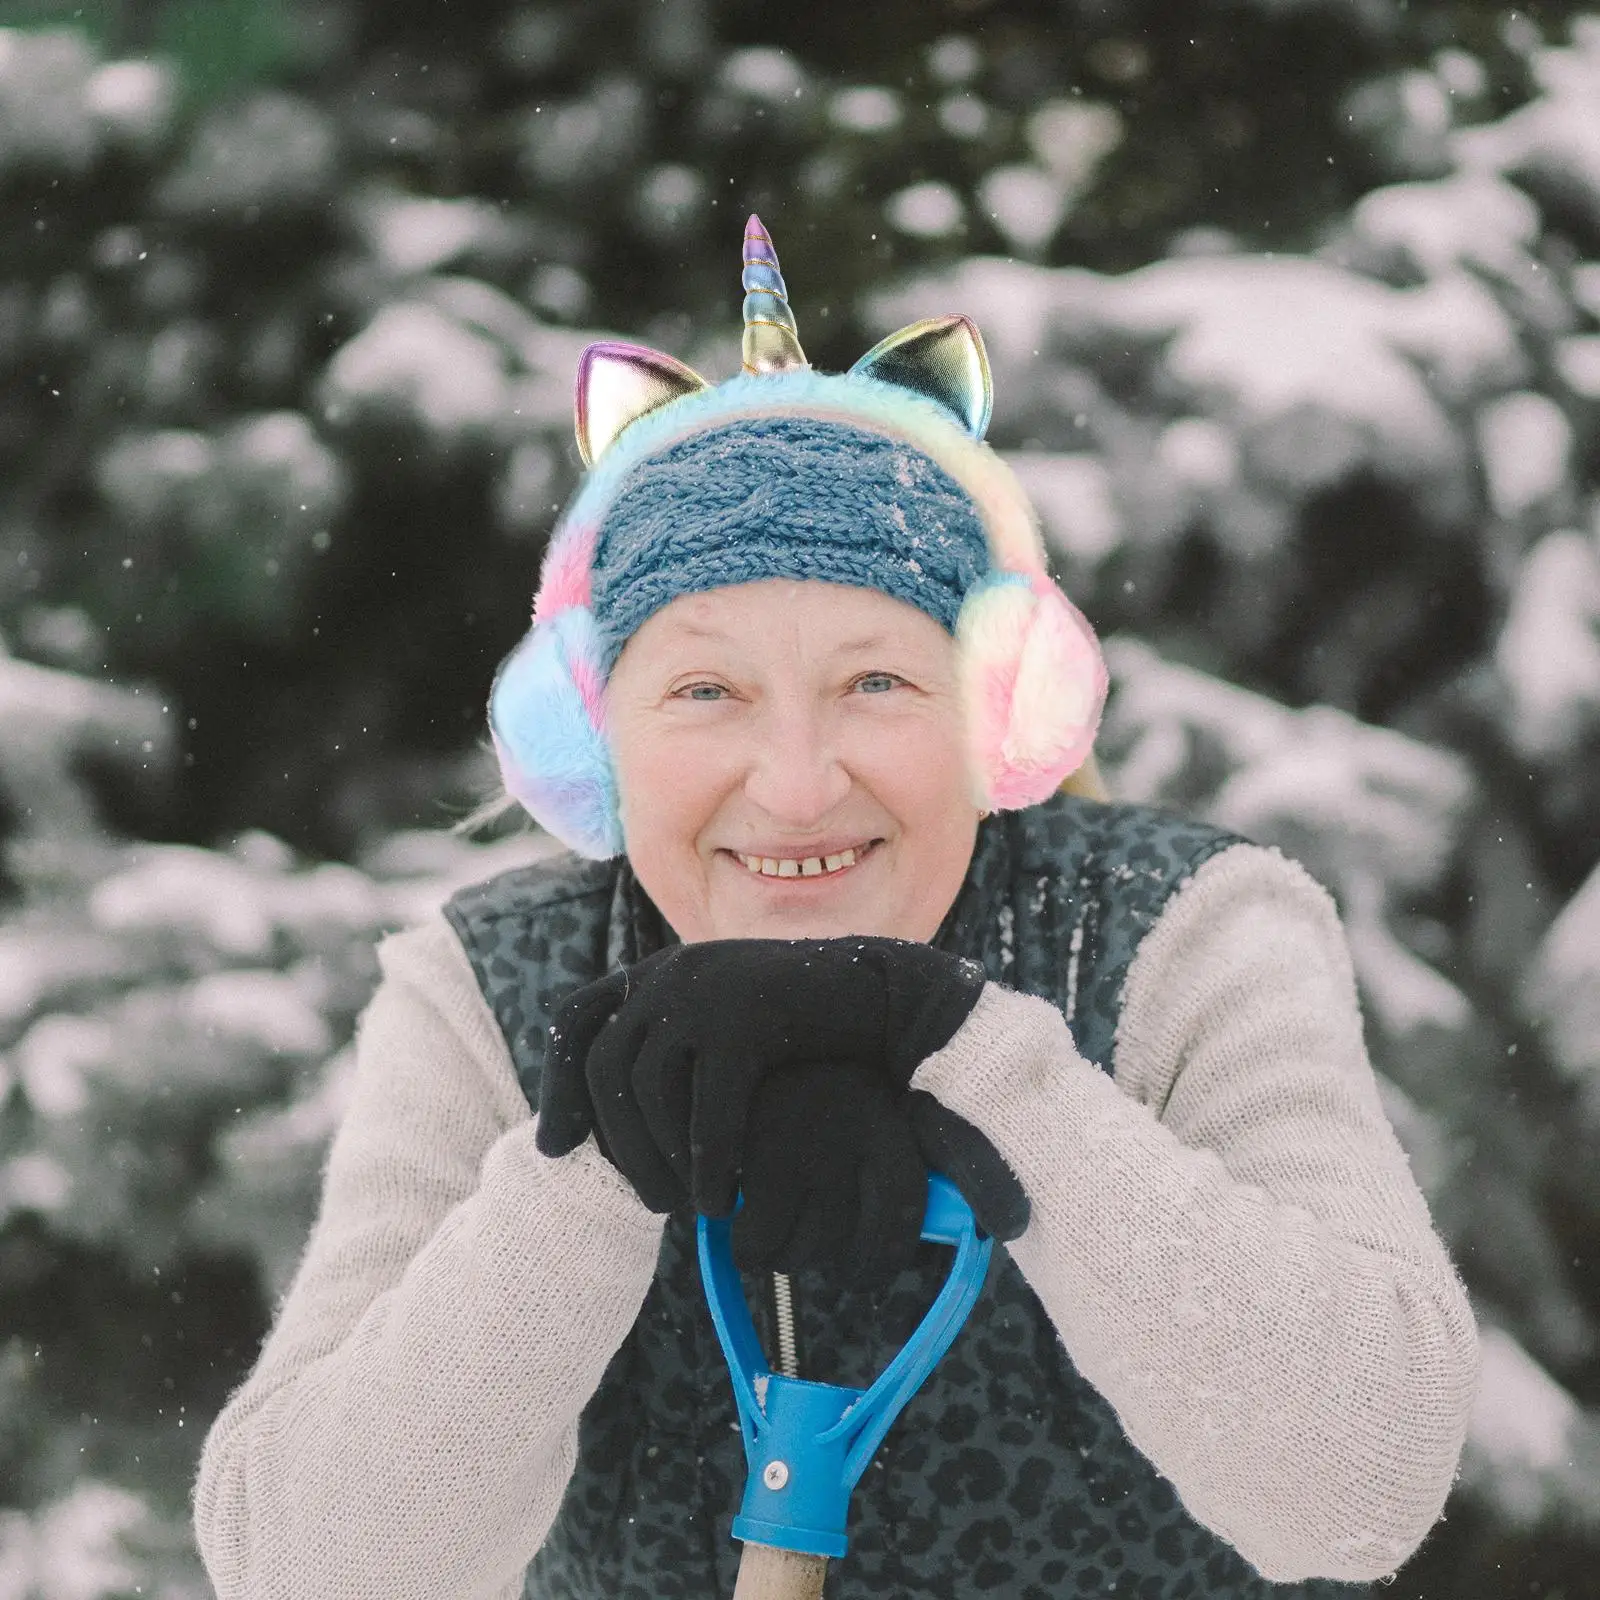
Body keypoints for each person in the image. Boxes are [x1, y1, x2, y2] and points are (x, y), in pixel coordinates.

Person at [192, 218, 1480, 1600]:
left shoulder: (1182, 935)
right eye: (705, 693)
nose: (798, 788)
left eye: (878, 683)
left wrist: (989, 1068)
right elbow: (309, 1566)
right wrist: (597, 1163)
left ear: (999, 711)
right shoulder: (490, 988)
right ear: (592, 733)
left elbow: (1365, 1490)